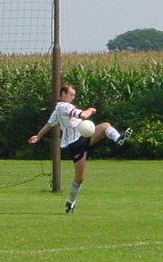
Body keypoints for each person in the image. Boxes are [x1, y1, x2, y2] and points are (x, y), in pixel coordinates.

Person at [28, 84, 132, 213]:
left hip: (83, 137)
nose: (73, 97)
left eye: (73, 95)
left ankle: (118, 138)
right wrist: (91, 110)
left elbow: (49, 125)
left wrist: (38, 137)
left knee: (105, 126)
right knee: (79, 178)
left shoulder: (58, 109)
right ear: (63, 94)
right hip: (76, 144)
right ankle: (70, 203)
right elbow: (82, 115)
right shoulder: (64, 107)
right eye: (71, 94)